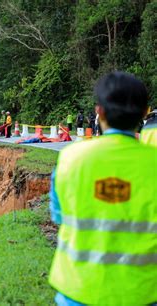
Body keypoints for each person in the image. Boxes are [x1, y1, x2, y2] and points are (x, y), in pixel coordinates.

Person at [48, 71, 156, 306]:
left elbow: (58, 216)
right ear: (145, 113)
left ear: (100, 111)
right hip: (142, 293)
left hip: (77, 290)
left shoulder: (69, 158)